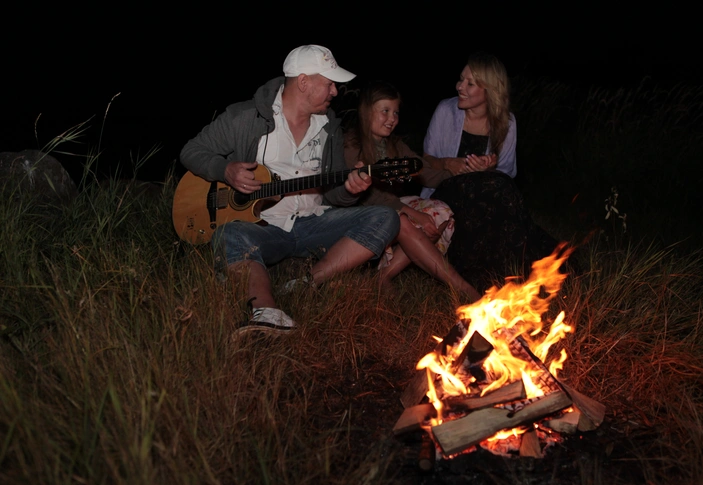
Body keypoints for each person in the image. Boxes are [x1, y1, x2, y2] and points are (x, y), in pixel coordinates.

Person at [180, 45, 400, 335]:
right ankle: (266, 312)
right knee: (228, 234)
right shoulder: (246, 117)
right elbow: (191, 150)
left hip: (313, 223)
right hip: (263, 227)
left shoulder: (328, 128)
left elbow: (335, 196)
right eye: (329, 83)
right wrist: (225, 170)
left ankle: (308, 281)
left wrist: (351, 189)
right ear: (304, 82)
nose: (335, 91)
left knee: (386, 218)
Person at [419, 52, 559, 292]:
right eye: (461, 79)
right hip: (445, 190)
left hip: (485, 195)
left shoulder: (507, 122)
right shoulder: (446, 110)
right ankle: (502, 272)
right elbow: (424, 162)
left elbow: (508, 173)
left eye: (470, 83)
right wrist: (448, 164)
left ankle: (512, 275)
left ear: (489, 90)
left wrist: (489, 169)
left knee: (499, 188)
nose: (459, 86)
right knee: (495, 189)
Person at [343, 81, 481, 302]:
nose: (392, 119)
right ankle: (463, 289)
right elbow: (371, 197)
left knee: (441, 213)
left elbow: (425, 172)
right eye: (385, 111)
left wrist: (461, 175)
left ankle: (383, 275)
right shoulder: (351, 144)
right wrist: (415, 214)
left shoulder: (395, 145)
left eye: (396, 113)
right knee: (407, 220)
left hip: (394, 203)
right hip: (363, 208)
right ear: (367, 111)